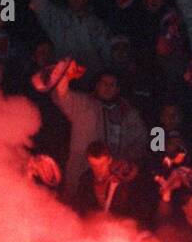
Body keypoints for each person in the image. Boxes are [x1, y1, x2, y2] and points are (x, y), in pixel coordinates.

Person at [46, 60, 148, 198]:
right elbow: (61, 96)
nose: (108, 87)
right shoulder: (82, 104)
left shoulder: (128, 112)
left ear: (118, 89)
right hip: (81, 173)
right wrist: (65, 75)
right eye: (104, 83)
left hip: (114, 180)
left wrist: (127, 160)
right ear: (97, 85)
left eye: (112, 84)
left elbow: (142, 141)